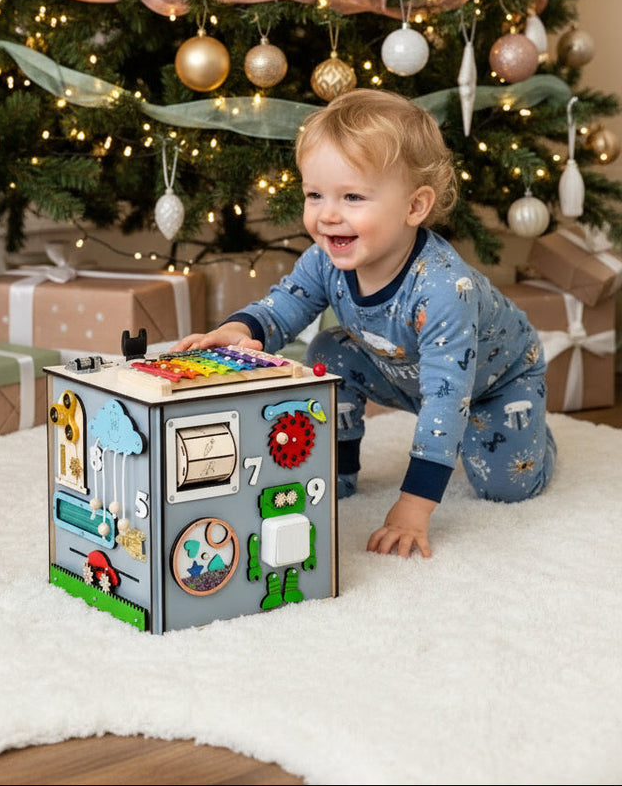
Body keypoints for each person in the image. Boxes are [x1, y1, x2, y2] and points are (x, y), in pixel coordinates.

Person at [171, 88, 557, 558]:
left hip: (493, 382)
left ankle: (537, 431)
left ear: (414, 207)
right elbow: (281, 309)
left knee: (508, 487)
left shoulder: (442, 290)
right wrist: (239, 332)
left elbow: (446, 397)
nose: (328, 214)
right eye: (315, 194)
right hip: (404, 369)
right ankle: (338, 465)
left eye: (353, 196)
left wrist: (414, 506)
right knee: (328, 351)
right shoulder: (325, 259)